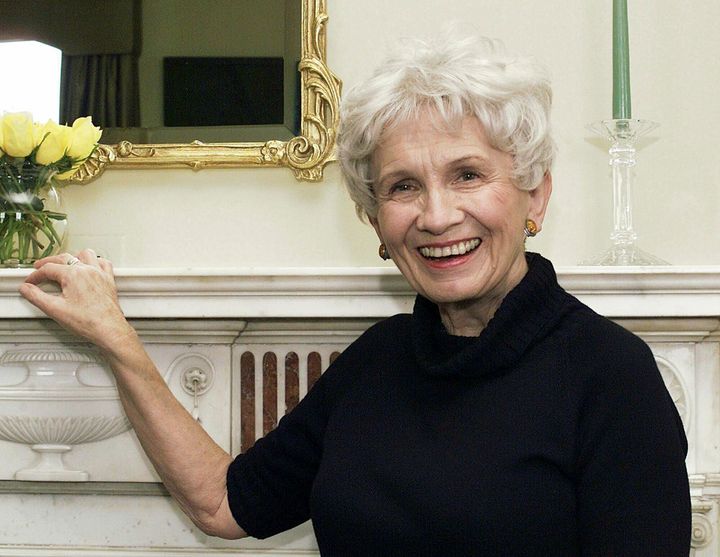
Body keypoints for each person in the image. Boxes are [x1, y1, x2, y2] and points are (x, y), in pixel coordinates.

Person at [19, 32, 690, 556]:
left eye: (466, 174)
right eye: (402, 186)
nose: (435, 215)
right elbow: (225, 503)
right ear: (375, 221)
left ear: (535, 194)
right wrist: (118, 340)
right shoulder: (378, 361)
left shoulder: (611, 375)